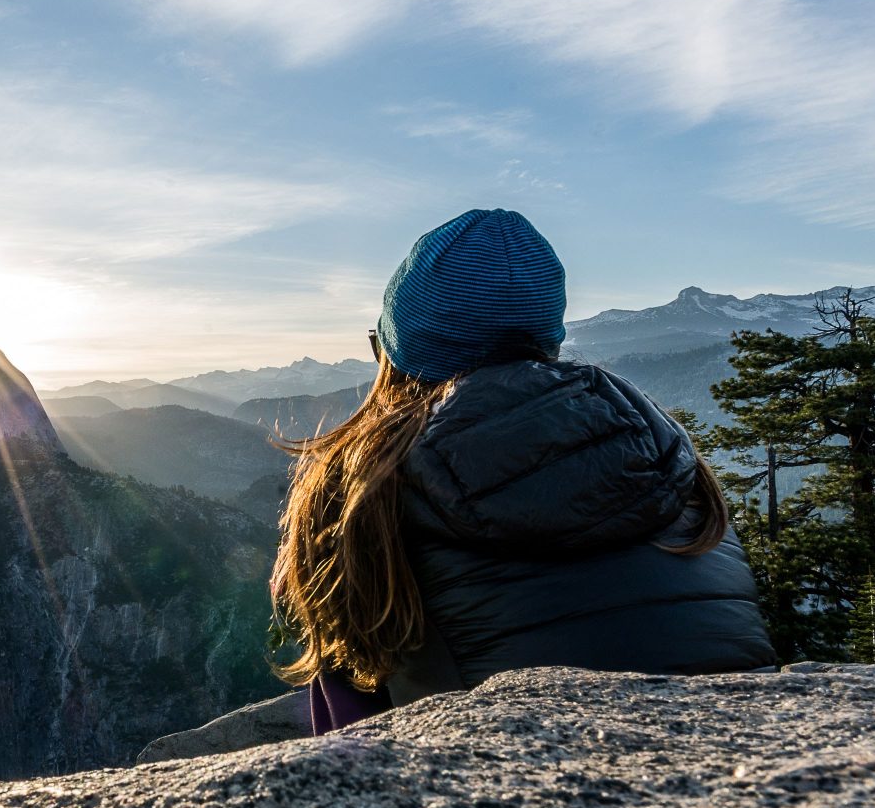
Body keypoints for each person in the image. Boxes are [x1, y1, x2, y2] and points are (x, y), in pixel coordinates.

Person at [138, 208, 775, 762]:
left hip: (506, 800)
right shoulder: (661, 443)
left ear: (397, 350)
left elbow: (352, 690)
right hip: (737, 773)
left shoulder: (368, 482)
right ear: (548, 336)